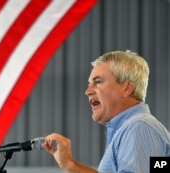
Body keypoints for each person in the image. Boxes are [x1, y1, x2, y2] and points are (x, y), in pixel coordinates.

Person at [42, 50, 170, 173]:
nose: (88, 91)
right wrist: (70, 165)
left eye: (98, 82)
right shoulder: (130, 128)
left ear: (127, 88)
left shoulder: (138, 127)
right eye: (89, 84)